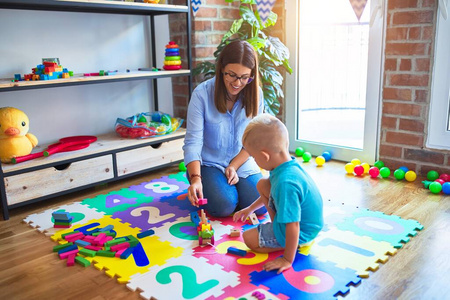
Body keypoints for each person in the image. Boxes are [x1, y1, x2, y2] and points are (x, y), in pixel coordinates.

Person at [183, 40, 266, 217]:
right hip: (209, 162)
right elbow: (193, 142)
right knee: (224, 205)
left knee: (262, 205)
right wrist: (196, 179)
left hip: (241, 161)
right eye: (232, 75)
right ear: (221, 68)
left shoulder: (255, 93)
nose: (238, 83)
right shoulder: (202, 94)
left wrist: (234, 166)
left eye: (245, 77)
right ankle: (213, 186)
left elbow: (253, 141)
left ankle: (228, 189)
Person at [233, 114, 323, 273]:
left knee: (248, 239)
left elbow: (293, 224)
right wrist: (249, 209)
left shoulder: (286, 183)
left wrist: (287, 259)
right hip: (307, 224)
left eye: (254, 157)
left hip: (301, 230)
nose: (254, 160)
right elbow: (269, 189)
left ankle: (288, 244)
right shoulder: (287, 166)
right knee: (262, 184)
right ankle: (277, 229)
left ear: (264, 156)